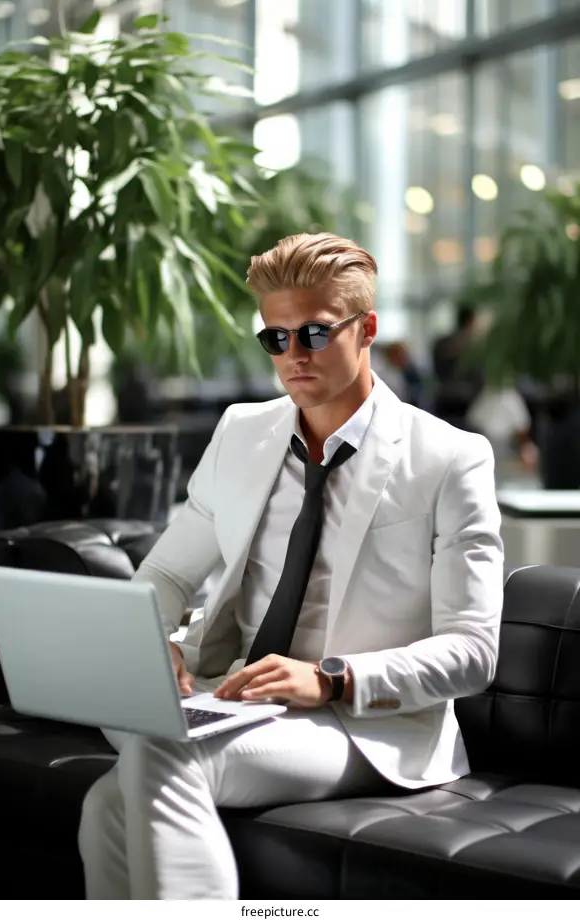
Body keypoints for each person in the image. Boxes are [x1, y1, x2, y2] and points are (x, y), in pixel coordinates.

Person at [78, 233, 504, 900]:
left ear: (365, 329)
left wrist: (331, 680)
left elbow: (473, 652)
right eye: (275, 339)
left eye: (312, 333)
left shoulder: (450, 458)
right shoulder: (241, 433)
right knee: (105, 805)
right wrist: (153, 645)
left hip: (364, 726)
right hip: (237, 698)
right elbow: (165, 575)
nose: (292, 357)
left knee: (157, 756)